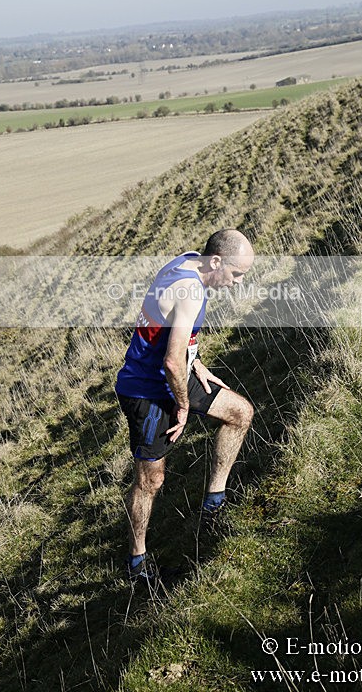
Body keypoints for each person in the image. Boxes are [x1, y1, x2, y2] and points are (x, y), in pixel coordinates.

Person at [115, 228, 255, 585]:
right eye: (236, 274)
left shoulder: (188, 261)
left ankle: (214, 504)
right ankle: (136, 566)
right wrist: (182, 406)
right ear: (216, 261)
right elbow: (171, 362)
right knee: (150, 480)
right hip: (147, 389)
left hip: (177, 370)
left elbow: (176, 336)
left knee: (240, 413)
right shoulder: (190, 290)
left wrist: (198, 363)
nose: (237, 283)